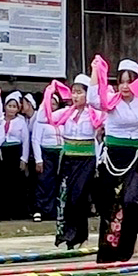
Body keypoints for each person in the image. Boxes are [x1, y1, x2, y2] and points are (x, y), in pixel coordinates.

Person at [89, 56, 138, 263]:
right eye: (121, 81)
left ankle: (128, 246)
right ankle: (108, 253)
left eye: (129, 81)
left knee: (131, 201)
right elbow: (92, 99)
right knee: (110, 205)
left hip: (134, 155)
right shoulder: (110, 99)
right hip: (112, 156)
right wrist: (95, 72)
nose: (125, 86)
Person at [42, 74, 103, 251]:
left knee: (79, 197)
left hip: (86, 159)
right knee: (66, 197)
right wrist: (48, 94)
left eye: (80, 92)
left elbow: (108, 116)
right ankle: (69, 237)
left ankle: (81, 235)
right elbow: (43, 118)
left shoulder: (95, 114)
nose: (76, 96)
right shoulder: (66, 113)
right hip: (68, 158)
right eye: (73, 92)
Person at [0, 92, 31, 223]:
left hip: (15, 152)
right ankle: (1, 212)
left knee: (15, 183)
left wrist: (23, 159)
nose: (12, 109)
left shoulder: (21, 122)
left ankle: (17, 212)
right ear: (5, 106)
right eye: (10, 106)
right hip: (1, 151)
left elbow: (26, 141)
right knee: (0, 182)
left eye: (15, 106)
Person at [30, 89, 64, 223]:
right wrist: (39, 159)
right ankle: (41, 209)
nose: (52, 106)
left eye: (54, 103)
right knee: (44, 181)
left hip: (60, 153)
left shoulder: (62, 117)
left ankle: (55, 210)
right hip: (46, 153)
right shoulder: (41, 120)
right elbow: (35, 140)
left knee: (59, 181)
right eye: (49, 103)